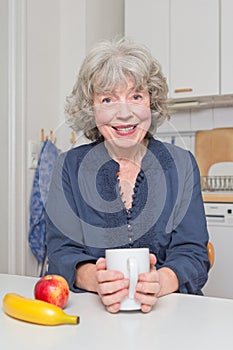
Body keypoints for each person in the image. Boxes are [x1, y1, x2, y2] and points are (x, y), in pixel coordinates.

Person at [45, 38, 210, 314]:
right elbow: (61, 253)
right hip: (93, 318)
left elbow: (193, 254)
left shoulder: (181, 165)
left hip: (171, 314)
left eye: (136, 96)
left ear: (151, 103)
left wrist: (161, 281)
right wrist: (95, 280)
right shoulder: (69, 167)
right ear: (91, 109)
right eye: (108, 99)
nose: (124, 113)